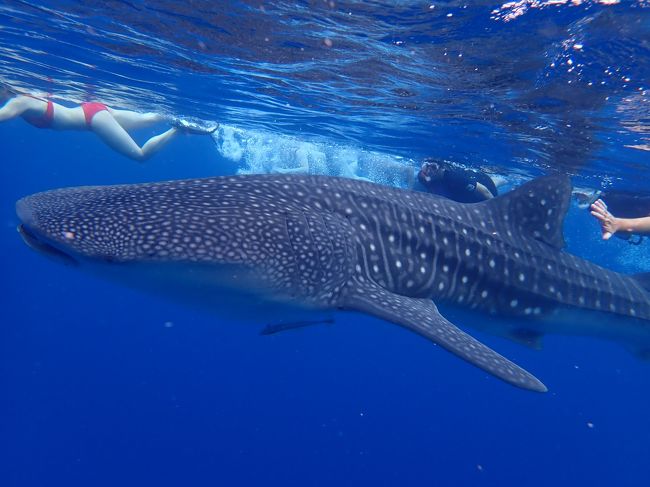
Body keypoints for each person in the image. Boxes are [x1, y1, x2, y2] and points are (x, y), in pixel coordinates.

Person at [0, 85, 216, 161]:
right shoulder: (25, 97)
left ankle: (178, 129)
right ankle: (191, 109)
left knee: (140, 156)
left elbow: (4, 114)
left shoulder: (19, 102)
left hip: (92, 119)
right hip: (93, 109)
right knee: (148, 118)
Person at [416, 158, 499, 203]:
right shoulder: (422, 176)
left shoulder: (454, 178)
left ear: (442, 169)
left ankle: (498, 179)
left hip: (483, 184)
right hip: (464, 186)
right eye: (426, 166)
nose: (429, 171)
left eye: (434, 167)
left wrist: (494, 209)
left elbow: (484, 191)